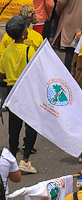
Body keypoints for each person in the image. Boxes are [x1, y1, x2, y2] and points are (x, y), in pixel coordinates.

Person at [0, 14, 41, 173]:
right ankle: (25, 160)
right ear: (24, 33)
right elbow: (36, 70)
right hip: (27, 90)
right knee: (31, 125)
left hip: (12, 91)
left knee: (14, 126)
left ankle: (11, 158)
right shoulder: (29, 50)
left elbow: (2, 74)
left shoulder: (6, 51)